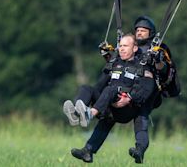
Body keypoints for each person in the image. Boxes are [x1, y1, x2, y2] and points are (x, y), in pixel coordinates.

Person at [63, 34, 157, 164]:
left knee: (111, 89)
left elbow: (147, 90)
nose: (121, 49)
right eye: (120, 46)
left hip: (127, 109)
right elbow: (99, 86)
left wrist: (129, 98)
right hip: (110, 105)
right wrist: (94, 98)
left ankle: (90, 114)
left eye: (125, 46)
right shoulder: (115, 64)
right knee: (86, 88)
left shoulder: (142, 66)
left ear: (135, 48)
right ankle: (77, 115)